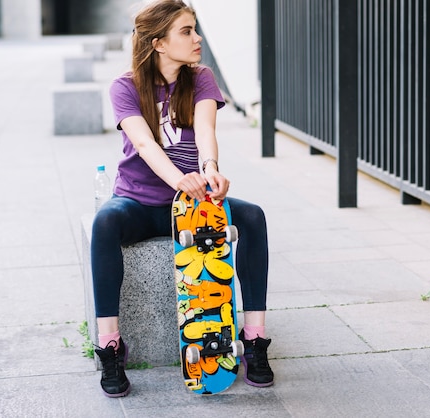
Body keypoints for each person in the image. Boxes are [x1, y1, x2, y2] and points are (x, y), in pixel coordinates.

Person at [90, 0, 274, 397]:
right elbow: (143, 142)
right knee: (105, 222)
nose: (197, 38)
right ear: (158, 43)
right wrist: (179, 179)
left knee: (253, 217)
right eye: (186, 31)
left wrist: (209, 169)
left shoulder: (201, 78)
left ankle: (254, 339)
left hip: (196, 208)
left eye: (195, 29)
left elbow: (206, 129)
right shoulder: (125, 86)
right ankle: (110, 346)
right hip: (140, 203)